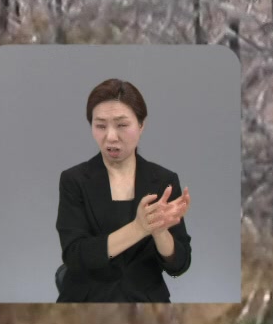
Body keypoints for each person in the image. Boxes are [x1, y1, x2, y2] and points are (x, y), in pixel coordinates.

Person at [54, 78, 191, 302]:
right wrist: (139, 228)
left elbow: (179, 265)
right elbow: (75, 256)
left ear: (141, 125)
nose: (110, 137)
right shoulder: (74, 180)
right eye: (100, 126)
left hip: (147, 305)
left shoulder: (164, 181)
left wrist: (159, 232)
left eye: (121, 125)